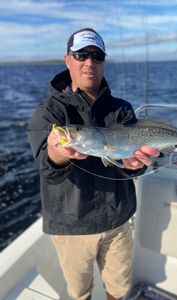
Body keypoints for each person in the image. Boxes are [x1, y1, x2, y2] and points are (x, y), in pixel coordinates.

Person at [27, 28, 159, 300]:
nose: (89, 62)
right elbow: (45, 165)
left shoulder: (121, 108)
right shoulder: (49, 111)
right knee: (79, 291)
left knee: (118, 287)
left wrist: (135, 164)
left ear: (103, 63)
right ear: (68, 60)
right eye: (81, 55)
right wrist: (59, 153)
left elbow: (129, 163)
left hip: (118, 220)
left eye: (96, 56)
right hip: (72, 226)